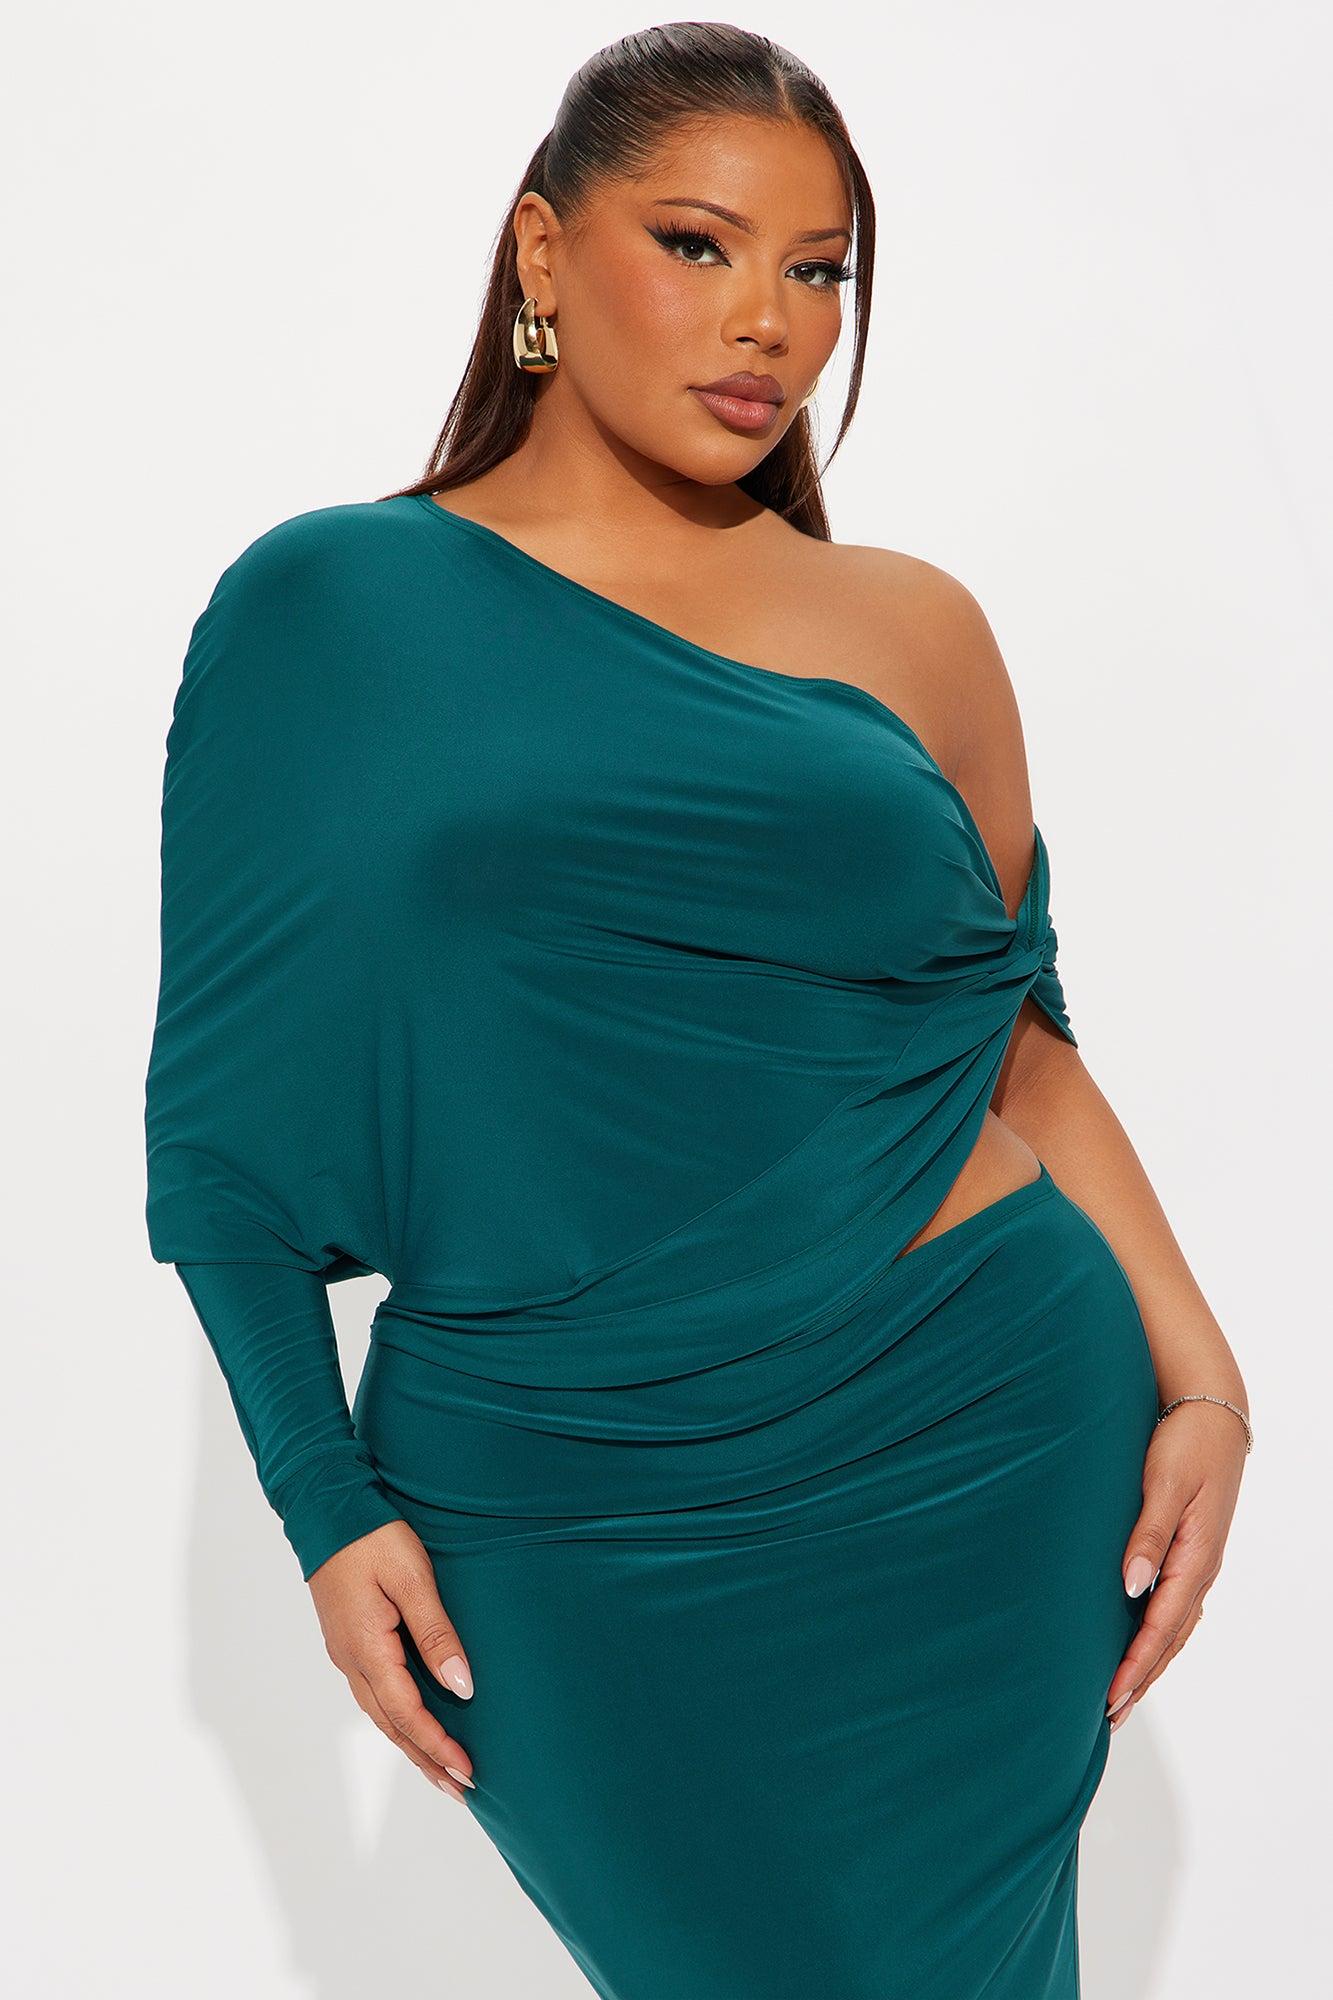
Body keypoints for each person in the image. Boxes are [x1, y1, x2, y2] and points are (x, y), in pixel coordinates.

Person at [142, 22, 1250, 1999]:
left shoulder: (911, 625)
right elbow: (219, 1145)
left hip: (982, 1432)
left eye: (818, 270)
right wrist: (322, 1506)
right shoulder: (327, 607)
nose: (769, 323)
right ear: (542, 255)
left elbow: (1018, 1041)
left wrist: (1204, 1381)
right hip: (561, 1501)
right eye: (698, 245)